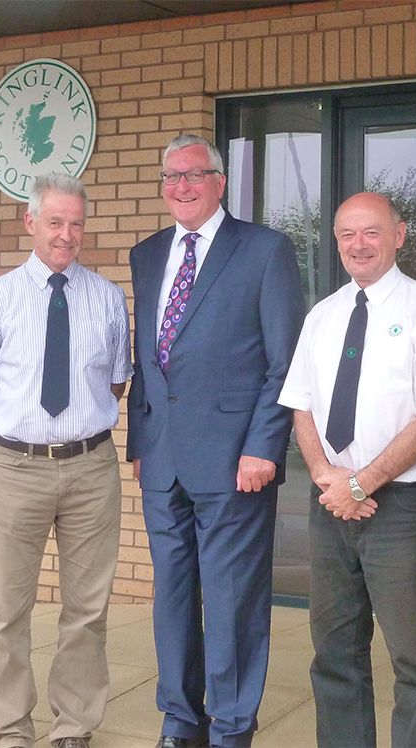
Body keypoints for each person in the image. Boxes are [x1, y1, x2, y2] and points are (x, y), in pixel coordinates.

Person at [126, 134, 305, 748]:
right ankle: (181, 721)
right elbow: (147, 358)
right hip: (164, 461)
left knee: (231, 603)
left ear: (219, 181)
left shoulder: (264, 250)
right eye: (170, 177)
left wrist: (264, 445)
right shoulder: (147, 254)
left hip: (236, 462)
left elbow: (286, 362)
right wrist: (141, 442)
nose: (181, 187)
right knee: (172, 597)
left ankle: (231, 728)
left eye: (194, 175)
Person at [0, 173, 132, 748]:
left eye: (76, 223)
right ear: (30, 222)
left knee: (86, 611)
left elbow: (115, 384)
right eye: (55, 221)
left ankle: (74, 727)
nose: (67, 235)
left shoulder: (107, 298)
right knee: (8, 610)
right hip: (17, 469)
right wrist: (20, 434)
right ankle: (10, 729)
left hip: (91, 470)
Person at [278, 192, 416, 747]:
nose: (358, 244)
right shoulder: (323, 315)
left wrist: (361, 483)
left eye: (371, 232)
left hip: (398, 506)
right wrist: (330, 480)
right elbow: (300, 405)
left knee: (413, 658)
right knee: (335, 651)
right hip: (330, 503)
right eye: (347, 234)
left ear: (399, 236)